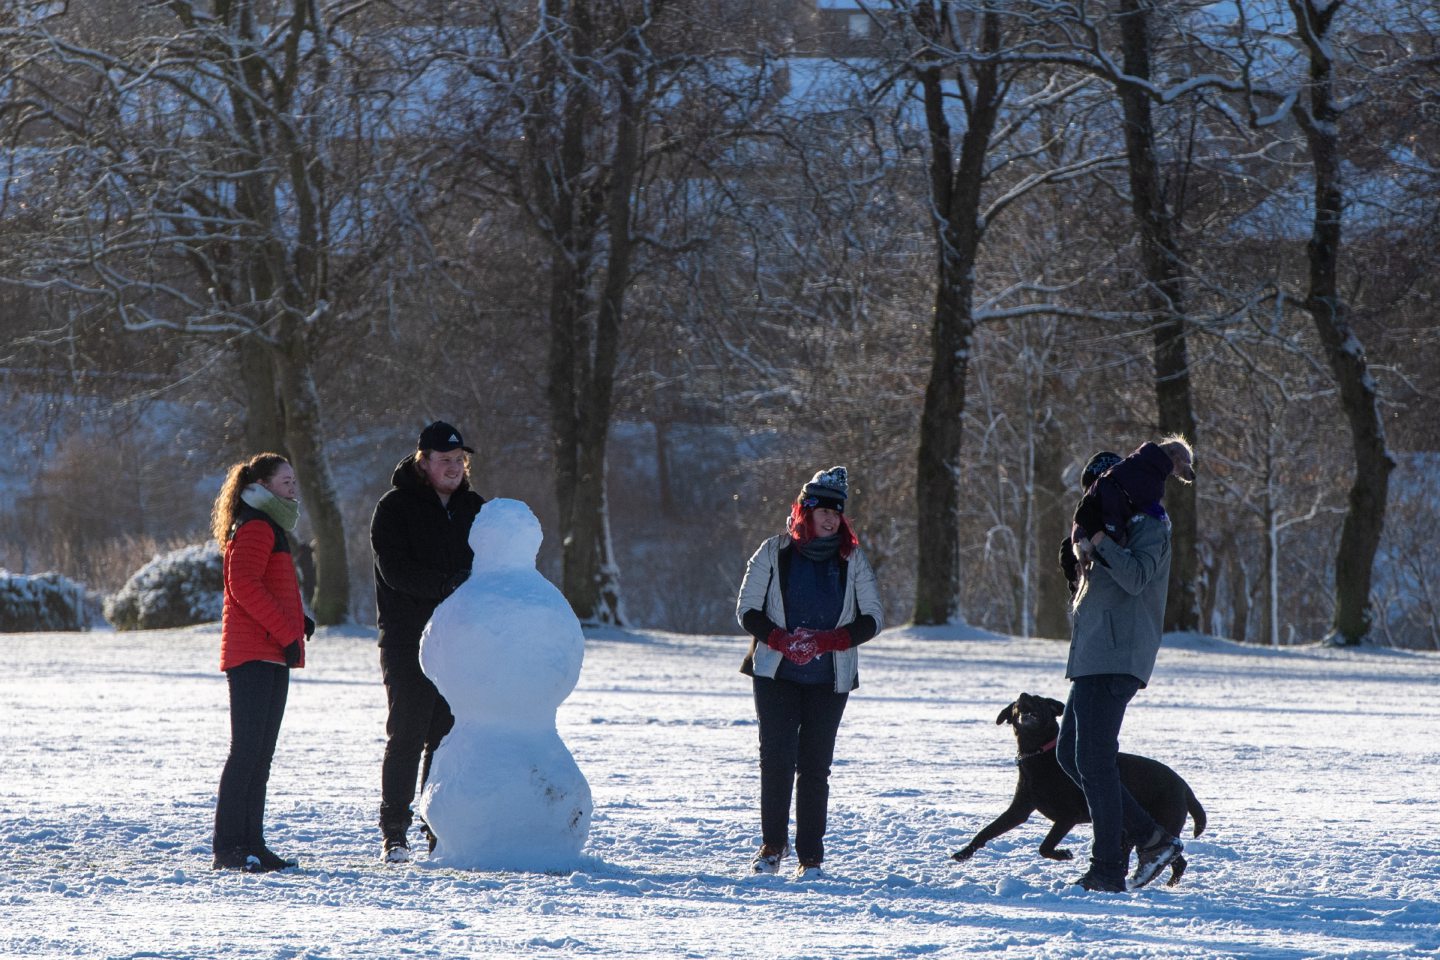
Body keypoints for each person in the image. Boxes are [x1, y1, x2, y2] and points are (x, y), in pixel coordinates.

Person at [1057, 434, 1195, 892]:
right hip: (1094, 658)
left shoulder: (1151, 524)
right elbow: (1096, 606)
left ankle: (1108, 868)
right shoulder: (1108, 532)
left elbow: (1136, 578)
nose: (1096, 500)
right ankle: (1151, 838)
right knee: (1070, 757)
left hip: (1117, 659)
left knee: (1094, 763)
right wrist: (1079, 567)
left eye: (1102, 487)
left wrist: (1099, 540)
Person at [735, 465, 884, 878]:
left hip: (829, 679)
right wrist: (783, 641)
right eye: (823, 509)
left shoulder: (852, 559)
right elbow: (746, 609)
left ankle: (811, 857)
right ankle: (772, 848)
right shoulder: (773, 551)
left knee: (815, 768)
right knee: (776, 761)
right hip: (775, 674)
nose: (831, 518)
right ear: (805, 510)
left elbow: (873, 618)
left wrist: (824, 642)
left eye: (838, 512)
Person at [371, 420, 486, 863]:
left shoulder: (475, 508)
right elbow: (393, 570)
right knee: (408, 733)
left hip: (460, 643)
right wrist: (447, 585)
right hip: (407, 641)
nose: (454, 467)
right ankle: (394, 831)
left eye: (459, 460)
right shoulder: (395, 507)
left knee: (447, 739)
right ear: (423, 461)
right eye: (445, 460)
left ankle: (438, 828)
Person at [211, 452, 311, 873]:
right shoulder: (255, 524)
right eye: (285, 481)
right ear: (264, 486)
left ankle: (251, 843)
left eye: (293, 480)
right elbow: (243, 586)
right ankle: (230, 846)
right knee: (247, 751)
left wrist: (298, 620)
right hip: (254, 653)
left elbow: (265, 585)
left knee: (260, 754)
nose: (293, 487)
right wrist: (287, 632)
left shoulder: (268, 525)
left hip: (268, 651)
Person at [1070, 438, 1196, 561]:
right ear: (1175, 457)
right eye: (1181, 465)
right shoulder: (1153, 481)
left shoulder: (1140, 459)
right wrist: (1163, 519)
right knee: (1120, 547)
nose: (1180, 472)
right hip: (1102, 518)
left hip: (1087, 523)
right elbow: (1147, 506)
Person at [1058, 450, 1123, 596]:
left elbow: (1132, 578)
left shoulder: (1143, 524)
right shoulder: (1086, 524)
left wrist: (1099, 542)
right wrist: (1075, 571)